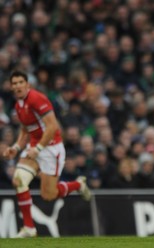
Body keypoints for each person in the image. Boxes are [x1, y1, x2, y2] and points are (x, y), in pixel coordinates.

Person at [3, 71, 91, 238]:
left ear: (27, 84)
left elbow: (53, 127)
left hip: (51, 149)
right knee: (18, 180)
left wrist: (39, 148)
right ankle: (29, 228)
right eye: (14, 83)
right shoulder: (18, 105)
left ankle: (78, 185)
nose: (17, 86)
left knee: (48, 195)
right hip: (34, 147)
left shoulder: (37, 98)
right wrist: (15, 147)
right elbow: (25, 130)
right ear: (11, 87)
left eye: (20, 82)